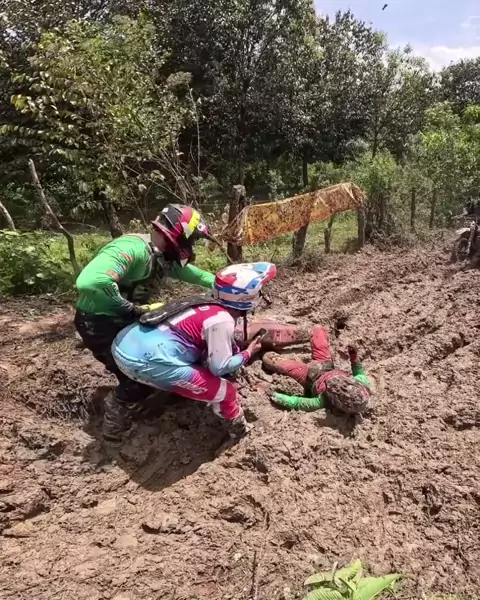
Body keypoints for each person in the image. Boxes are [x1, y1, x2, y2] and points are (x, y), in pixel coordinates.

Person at [74, 204, 216, 441]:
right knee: (137, 376)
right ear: (179, 234)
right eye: (192, 240)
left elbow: (197, 275)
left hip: (124, 319)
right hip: (98, 322)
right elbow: (90, 282)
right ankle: (113, 424)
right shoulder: (132, 249)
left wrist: (229, 284)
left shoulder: (158, 256)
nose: (191, 247)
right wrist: (128, 308)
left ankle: (151, 398)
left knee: (162, 358)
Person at [110, 262, 277, 442]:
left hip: (122, 345)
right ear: (246, 298)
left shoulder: (202, 301)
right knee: (226, 392)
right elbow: (219, 368)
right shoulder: (221, 320)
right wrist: (248, 352)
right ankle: (240, 432)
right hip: (147, 362)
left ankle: (114, 419)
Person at [261, 325, 371, 415]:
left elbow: (296, 402)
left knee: (269, 359)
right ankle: (301, 334)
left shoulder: (322, 401)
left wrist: (274, 395)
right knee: (318, 329)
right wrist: (354, 356)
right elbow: (358, 370)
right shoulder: (362, 383)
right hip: (325, 364)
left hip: (307, 376)